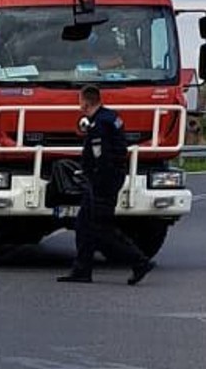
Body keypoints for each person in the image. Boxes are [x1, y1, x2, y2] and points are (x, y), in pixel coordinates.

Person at [59, 85, 153, 285]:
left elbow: (100, 156)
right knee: (83, 224)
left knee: (102, 227)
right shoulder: (110, 117)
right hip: (108, 177)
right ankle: (82, 270)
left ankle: (139, 261)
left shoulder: (99, 125)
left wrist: (94, 178)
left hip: (103, 180)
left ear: (85, 102)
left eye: (80, 101)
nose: (79, 105)